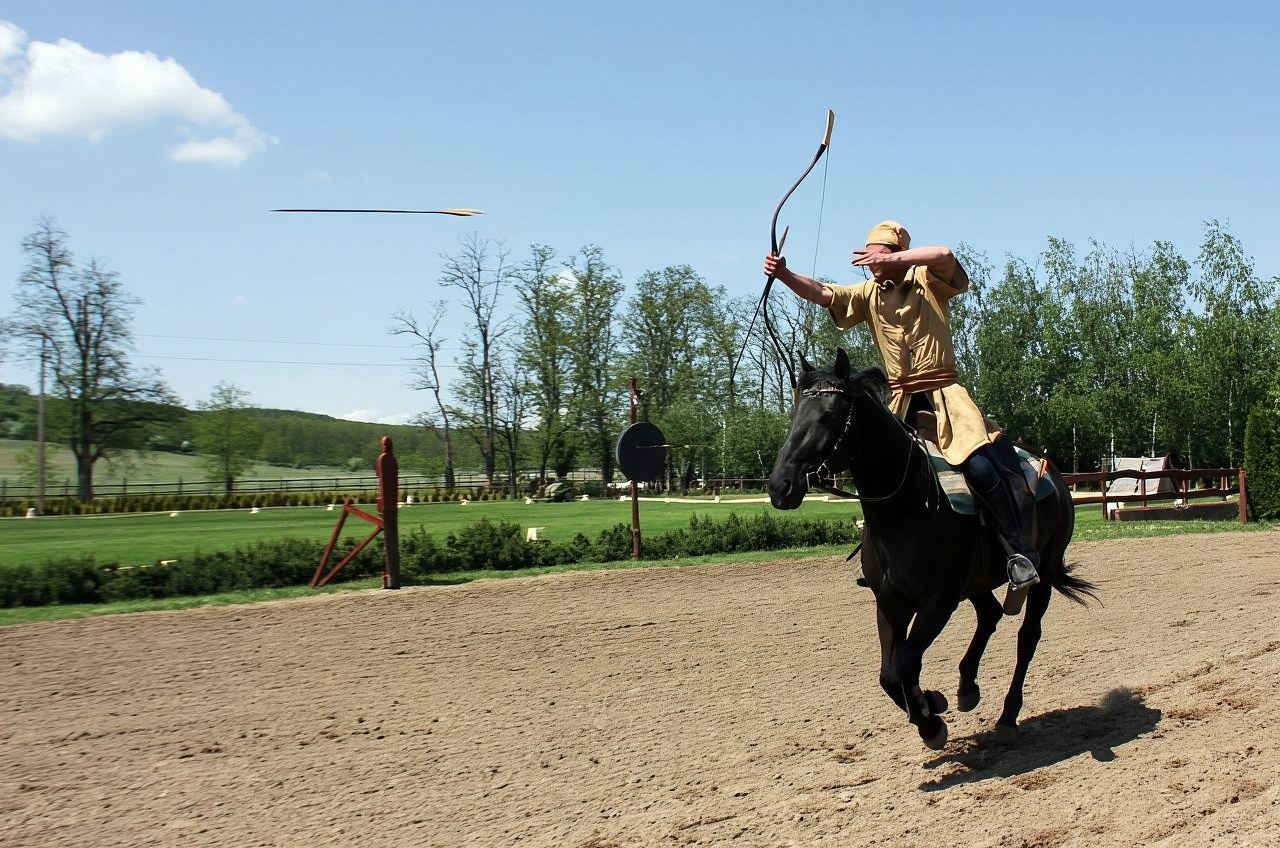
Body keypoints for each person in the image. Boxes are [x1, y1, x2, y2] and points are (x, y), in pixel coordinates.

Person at [764, 220, 1040, 593]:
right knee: (878, 469)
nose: (868, 258)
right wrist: (784, 274)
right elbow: (824, 293)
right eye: (867, 250)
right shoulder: (867, 294)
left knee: (979, 467)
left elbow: (944, 254)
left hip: (945, 396)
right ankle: (883, 559)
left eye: (877, 251)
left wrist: (899, 259)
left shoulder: (927, 280)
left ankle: (1017, 554)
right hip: (900, 400)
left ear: (897, 255)